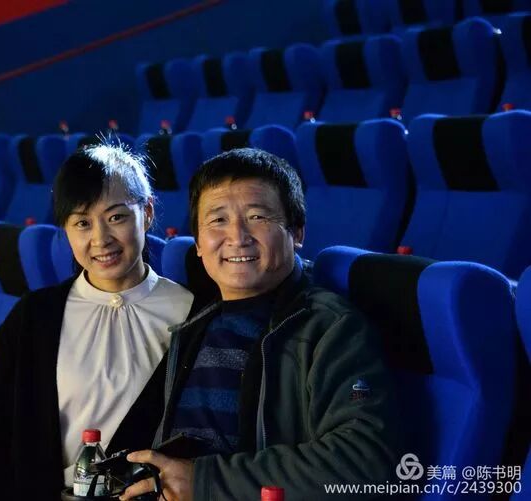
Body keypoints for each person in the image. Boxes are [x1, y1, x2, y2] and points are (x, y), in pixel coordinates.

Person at [122, 148, 401, 500]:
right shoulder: (192, 323)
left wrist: (205, 482)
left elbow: (366, 462)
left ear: (297, 232)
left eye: (257, 217)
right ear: (199, 243)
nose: (237, 237)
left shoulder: (330, 328)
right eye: (218, 220)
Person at [0, 143, 194, 500]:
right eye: (82, 223)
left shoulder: (191, 314)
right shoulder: (34, 317)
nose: (101, 239)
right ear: (66, 229)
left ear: (146, 213)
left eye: (116, 217)